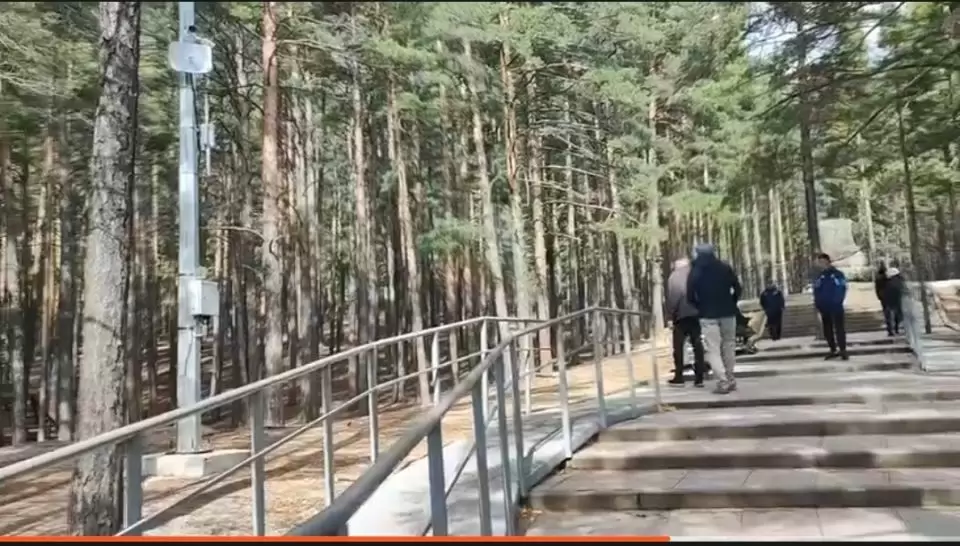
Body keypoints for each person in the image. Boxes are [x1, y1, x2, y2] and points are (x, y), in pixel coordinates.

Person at [687, 243, 742, 395]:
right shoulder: (724, 268)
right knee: (729, 345)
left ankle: (722, 381)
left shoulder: (695, 271)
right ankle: (730, 377)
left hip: (707, 315)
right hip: (728, 312)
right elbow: (738, 288)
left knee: (713, 348)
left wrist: (700, 307)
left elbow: (690, 295)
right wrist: (732, 302)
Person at [665, 257, 706, 388]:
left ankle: (679, 377)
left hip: (681, 315)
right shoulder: (698, 274)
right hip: (697, 314)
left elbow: (673, 297)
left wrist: (670, 316)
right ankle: (699, 377)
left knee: (678, 347)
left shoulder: (674, 277)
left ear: (676, 265)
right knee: (697, 345)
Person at [813, 253, 848, 360]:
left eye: (822, 262)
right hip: (824, 307)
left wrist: (838, 301)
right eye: (819, 262)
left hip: (836, 306)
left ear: (827, 261)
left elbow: (842, 287)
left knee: (839, 328)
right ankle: (833, 349)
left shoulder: (837, 274)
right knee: (827, 330)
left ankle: (843, 350)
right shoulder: (820, 276)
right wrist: (818, 303)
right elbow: (816, 290)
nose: (820, 264)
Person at [882, 267, 905, 336]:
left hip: (889, 302)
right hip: (897, 302)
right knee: (897, 316)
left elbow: (886, 293)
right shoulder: (900, 281)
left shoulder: (888, 282)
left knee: (890, 317)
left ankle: (891, 330)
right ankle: (896, 329)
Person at [875, 262, 889, 331]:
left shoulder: (878, 277)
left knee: (885, 310)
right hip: (887, 295)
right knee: (889, 311)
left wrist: (878, 295)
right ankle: (891, 325)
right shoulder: (887, 277)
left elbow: (877, 288)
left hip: (882, 295)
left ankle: (888, 325)